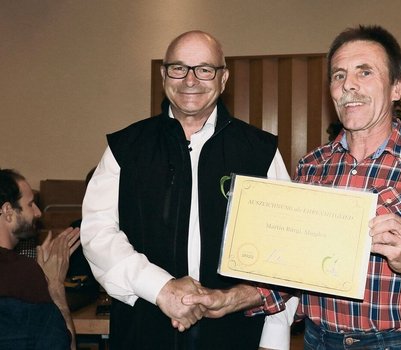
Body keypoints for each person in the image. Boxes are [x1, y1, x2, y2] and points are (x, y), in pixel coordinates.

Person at [185, 25, 401, 349]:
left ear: (397, 86)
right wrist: (227, 299)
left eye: (365, 72)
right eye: (338, 75)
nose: (348, 84)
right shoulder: (313, 167)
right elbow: (290, 275)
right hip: (319, 340)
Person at [80, 30, 290, 349]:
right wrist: (162, 288)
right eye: (179, 68)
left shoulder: (259, 152)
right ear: (164, 74)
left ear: (223, 78)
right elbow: (98, 234)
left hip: (234, 335)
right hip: (143, 331)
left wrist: (274, 338)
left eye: (204, 69)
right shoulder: (126, 148)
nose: (190, 80)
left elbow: (281, 248)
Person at [0, 168, 81, 350]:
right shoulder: (22, 272)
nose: (38, 213)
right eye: (30, 204)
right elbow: (62, 346)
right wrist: (54, 285)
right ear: (8, 211)